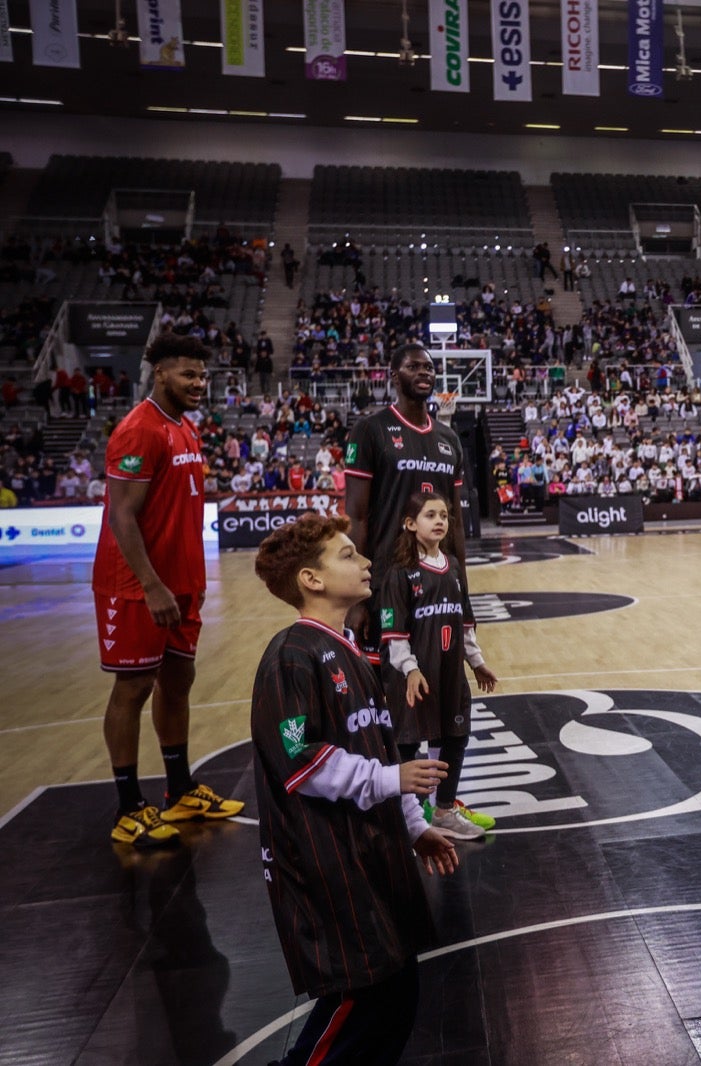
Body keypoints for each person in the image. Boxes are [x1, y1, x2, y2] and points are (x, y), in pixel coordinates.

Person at [250, 513, 459, 1064]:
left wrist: (414, 826)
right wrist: (392, 780)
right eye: (347, 555)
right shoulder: (291, 655)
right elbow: (302, 759)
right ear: (311, 580)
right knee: (361, 996)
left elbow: (382, 749)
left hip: (372, 852)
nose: (365, 561)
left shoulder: (355, 654)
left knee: (396, 992)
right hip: (326, 863)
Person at [95, 333, 244, 847]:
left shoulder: (185, 428)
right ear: (160, 373)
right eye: (188, 374)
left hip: (180, 585)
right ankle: (127, 807)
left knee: (178, 679)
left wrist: (189, 583)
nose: (199, 383)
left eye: (203, 375)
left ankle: (179, 791)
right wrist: (152, 584)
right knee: (133, 687)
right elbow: (121, 515)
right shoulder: (138, 430)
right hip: (137, 586)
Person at [379, 492, 499, 839]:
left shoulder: (454, 566)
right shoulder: (400, 573)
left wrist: (476, 662)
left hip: (449, 672)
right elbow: (394, 633)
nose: (439, 521)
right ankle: (409, 815)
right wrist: (410, 669)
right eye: (430, 515)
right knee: (407, 743)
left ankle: (443, 810)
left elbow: (465, 623)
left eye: (444, 515)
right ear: (410, 523)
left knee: (455, 736)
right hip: (413, 676)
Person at [344, 343, 471, 654]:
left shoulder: (449, 439)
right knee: (390, 677)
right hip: (387, 582)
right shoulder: (369, 430)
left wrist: (464, 592)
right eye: (413, 367)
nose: (423, 372)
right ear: (394, 376)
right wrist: (356, 597)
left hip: (440, 584)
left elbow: (455, 523)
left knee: (439, 676)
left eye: (428, 367)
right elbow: (356, 518)